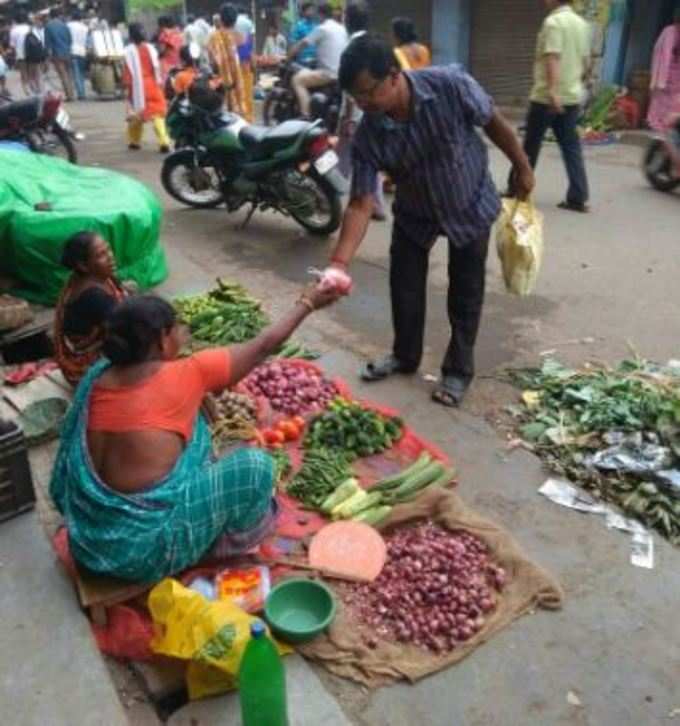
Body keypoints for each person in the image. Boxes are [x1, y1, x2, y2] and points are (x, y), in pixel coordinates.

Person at [49, 284, 341, 583]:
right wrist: (308, 302)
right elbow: (264, 345)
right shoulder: (187, 374)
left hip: (91, 542)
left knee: (193, 420)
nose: (184, 333)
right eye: (178, 328)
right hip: (142, 555)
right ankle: (222, 547)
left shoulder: (96, 376)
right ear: (162, 341)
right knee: (257, 467)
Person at [324, 35, 534, 407]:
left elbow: (494, 123)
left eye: (368, 93)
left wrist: (522, 165)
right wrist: (338, 265)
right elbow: (360, 203)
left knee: (465, 293)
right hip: (415, 211)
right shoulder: (369, 132)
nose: (364, 104)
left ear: (392, 75)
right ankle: (405, 356)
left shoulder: (450, 86)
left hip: (468, 202)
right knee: (404, 287)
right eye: (356, 99)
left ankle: (457, 372)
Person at [508, 0, 591, 213]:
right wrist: (580, 85)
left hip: (547, 97)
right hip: (571, 96)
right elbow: (585, 62)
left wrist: (553, 91)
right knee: (571, 146)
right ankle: (578, 197)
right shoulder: (582, 25)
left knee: (529, 146)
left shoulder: (553, 23)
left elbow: (552, 57)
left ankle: (517, 190)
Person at [53, 232, 128, 387]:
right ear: (83, 265)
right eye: (101, 254)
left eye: (108, 249)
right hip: (82, 368)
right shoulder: (94, 297)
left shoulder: (85, 277)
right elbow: (127, 329)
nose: (110, 256)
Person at [336, 2, 385, 220]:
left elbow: (349, 89)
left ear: (348, 21)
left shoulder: (353, 48)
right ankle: (367, 201)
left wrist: (347, 118)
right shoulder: (376, 41)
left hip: (360, 112)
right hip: (376, 110)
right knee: (361, 157)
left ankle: (368, 203)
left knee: (360, 158)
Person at [288, 3, 348, 118]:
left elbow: (302, 44)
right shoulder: (341, 28)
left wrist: (289, 56)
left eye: (315, 13)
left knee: (297, 80)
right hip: (341, 73)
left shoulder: (321, 28)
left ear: (321, 15)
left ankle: (306, 115)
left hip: (328, 74)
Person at [123, 23, 171, 153]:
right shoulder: (151, 48)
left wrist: (126, 91)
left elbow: (128, 74)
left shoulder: (128, 52)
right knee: (158, 115)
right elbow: (158, 68)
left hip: (138, 87)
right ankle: (164, 141)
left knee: (137, 115)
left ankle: (134, 141)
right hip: (153, 85)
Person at [208, 3, 245, 115]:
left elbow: (213, 62)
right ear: (235, 20)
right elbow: (244, 57)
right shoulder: (240, 36)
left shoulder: (214, 37)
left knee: (222, 115)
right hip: (238, 82)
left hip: (221, 86)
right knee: (238, 114)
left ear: (221, 18)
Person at [648, 9, 680, 132]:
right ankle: (662, 138)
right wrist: (659, 81)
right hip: (665, 79)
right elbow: (662, 55)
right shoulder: (670, 32)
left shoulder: (671, 31)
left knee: (671, 114)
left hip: (674, 81)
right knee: (661, 112)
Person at [45, 8, 75, 101]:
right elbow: (70, 39)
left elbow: (48, 43)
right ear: (58, 15)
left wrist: (48, 57)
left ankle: (69, 95)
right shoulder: (64, 25)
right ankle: (72, 93)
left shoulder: (48, 26)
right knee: (69, 74)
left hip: (57, 53)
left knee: (63, 75)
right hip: (67, 52)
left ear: (50, 16)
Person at [235, 7, 255, 122]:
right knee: (247, 86)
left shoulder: (233, 22)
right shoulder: (248, 22)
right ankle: (248, 116)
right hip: (245, 57)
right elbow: (251, 39)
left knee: (237, 85)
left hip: (234, 58)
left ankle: (238, 114)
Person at [68, 10, 89, 101]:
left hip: (72, 51)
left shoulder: (68, 25)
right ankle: (82, 92)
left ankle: (81, 93)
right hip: (83, 51)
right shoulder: (85, 27)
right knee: (81, 73)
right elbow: (88, 41)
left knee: (76, 73)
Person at [290, 2, 318, 67]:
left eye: (313, 10)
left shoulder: (316, 26)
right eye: (309, 10)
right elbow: (293, 43)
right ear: (303, 12)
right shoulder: (298, 26)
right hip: (302, 61)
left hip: (315, 60)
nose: (312, 12)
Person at [9, 12, 31, 95]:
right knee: (34, 73)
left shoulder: (13, 30)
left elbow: (12, 46)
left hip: (21, 55)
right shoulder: (30, 28)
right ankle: (38, 90)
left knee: (24, 75)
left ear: (16, 20)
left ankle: (28, 92)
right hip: (33, 54)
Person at [157, 16, 183, 81]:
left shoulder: (163, 34)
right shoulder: (178, 32)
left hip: (167, 64)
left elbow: (161, 50)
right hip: (178, 62)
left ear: (161, 25)